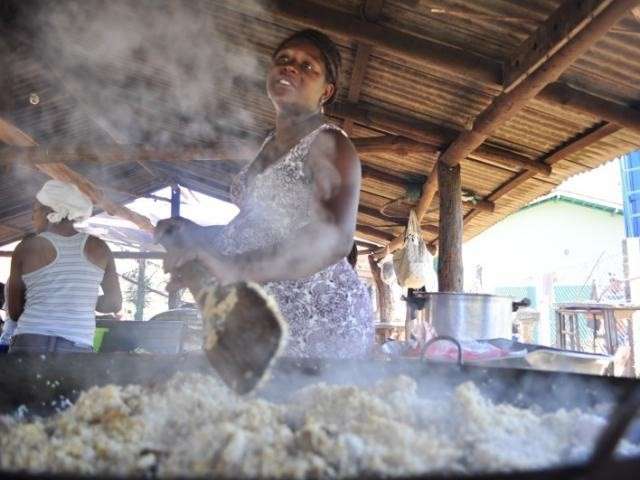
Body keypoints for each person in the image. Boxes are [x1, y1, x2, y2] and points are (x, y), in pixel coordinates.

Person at [157, 29, 374, 358]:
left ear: (326, 91)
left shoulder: (329, 144)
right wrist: (194, 236)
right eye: (284, 60)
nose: (291, 67)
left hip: (318, 320)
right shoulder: (268, 144)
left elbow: (334, 238)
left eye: (307, 66)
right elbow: (260, 228)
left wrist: (235, 268)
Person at [6, 180, 122, 354]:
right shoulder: (100, 248)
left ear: (50, 211)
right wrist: (80, 300)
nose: (32, 218)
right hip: (77, 348)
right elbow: (114, 303)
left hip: (30, 344)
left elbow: (15, 312)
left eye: (35, 211)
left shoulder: (26, 248)